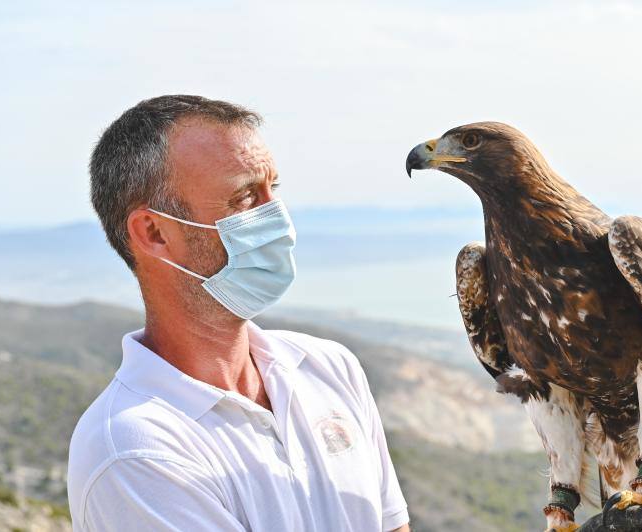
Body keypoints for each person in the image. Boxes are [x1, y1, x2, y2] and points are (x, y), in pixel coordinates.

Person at [67, 95, 410, 532]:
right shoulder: (134, 450)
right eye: (245, 197)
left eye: (274, 190)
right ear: (154, 233)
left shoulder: (328, 368)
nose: (278, 218)